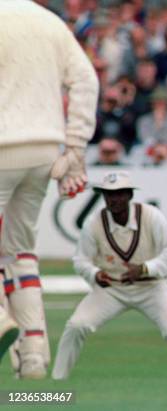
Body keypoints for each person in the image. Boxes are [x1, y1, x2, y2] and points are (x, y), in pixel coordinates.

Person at [0, 0, 99, 379]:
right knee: (20, 252)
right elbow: (87, 81)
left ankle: (3, 321)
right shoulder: (49, 22)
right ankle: (35, 356)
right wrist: (74, 150)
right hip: (43, 150)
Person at [51, 172, 167, 380]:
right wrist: (95, 274)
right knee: (76, 326)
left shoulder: (151, 216)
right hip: (111, 289)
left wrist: (145, 268)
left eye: (119, 193)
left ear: (130, 195)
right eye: (108, 194)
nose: (113, 199)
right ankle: (58, 380)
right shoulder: (93, 222)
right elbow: (81, 260)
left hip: (151, 288)